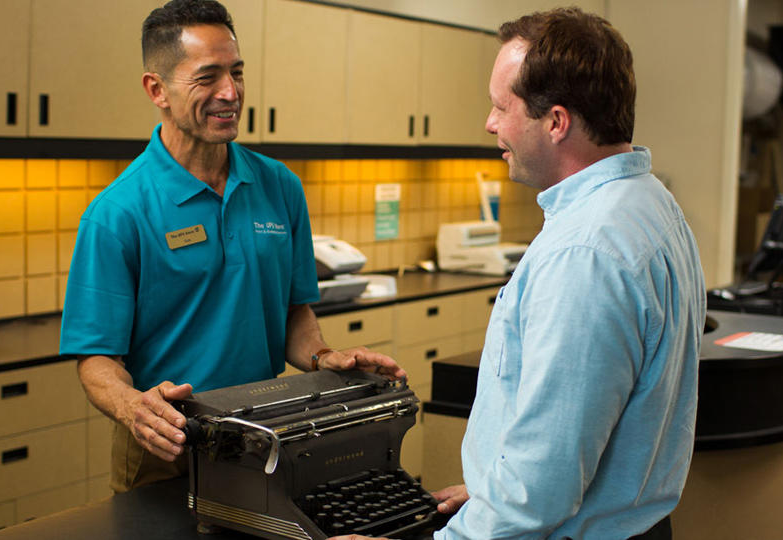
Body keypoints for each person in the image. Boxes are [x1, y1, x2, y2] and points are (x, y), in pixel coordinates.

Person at [333, 7, 705, 540]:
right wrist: (493, 489)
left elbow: (544, 484)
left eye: (500, 107)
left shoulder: (586, 252)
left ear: (556, 122)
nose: (489, 123)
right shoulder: (651, 205)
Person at [59, 0, 404, 494]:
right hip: (170, 446)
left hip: (265, 435)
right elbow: (95, 360)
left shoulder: (280, 186)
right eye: (208, 77)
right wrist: (133, 407)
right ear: (157, 89)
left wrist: (323, 356)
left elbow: (293, 313)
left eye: (237, 73)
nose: (230, 92)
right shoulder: (118, 213)